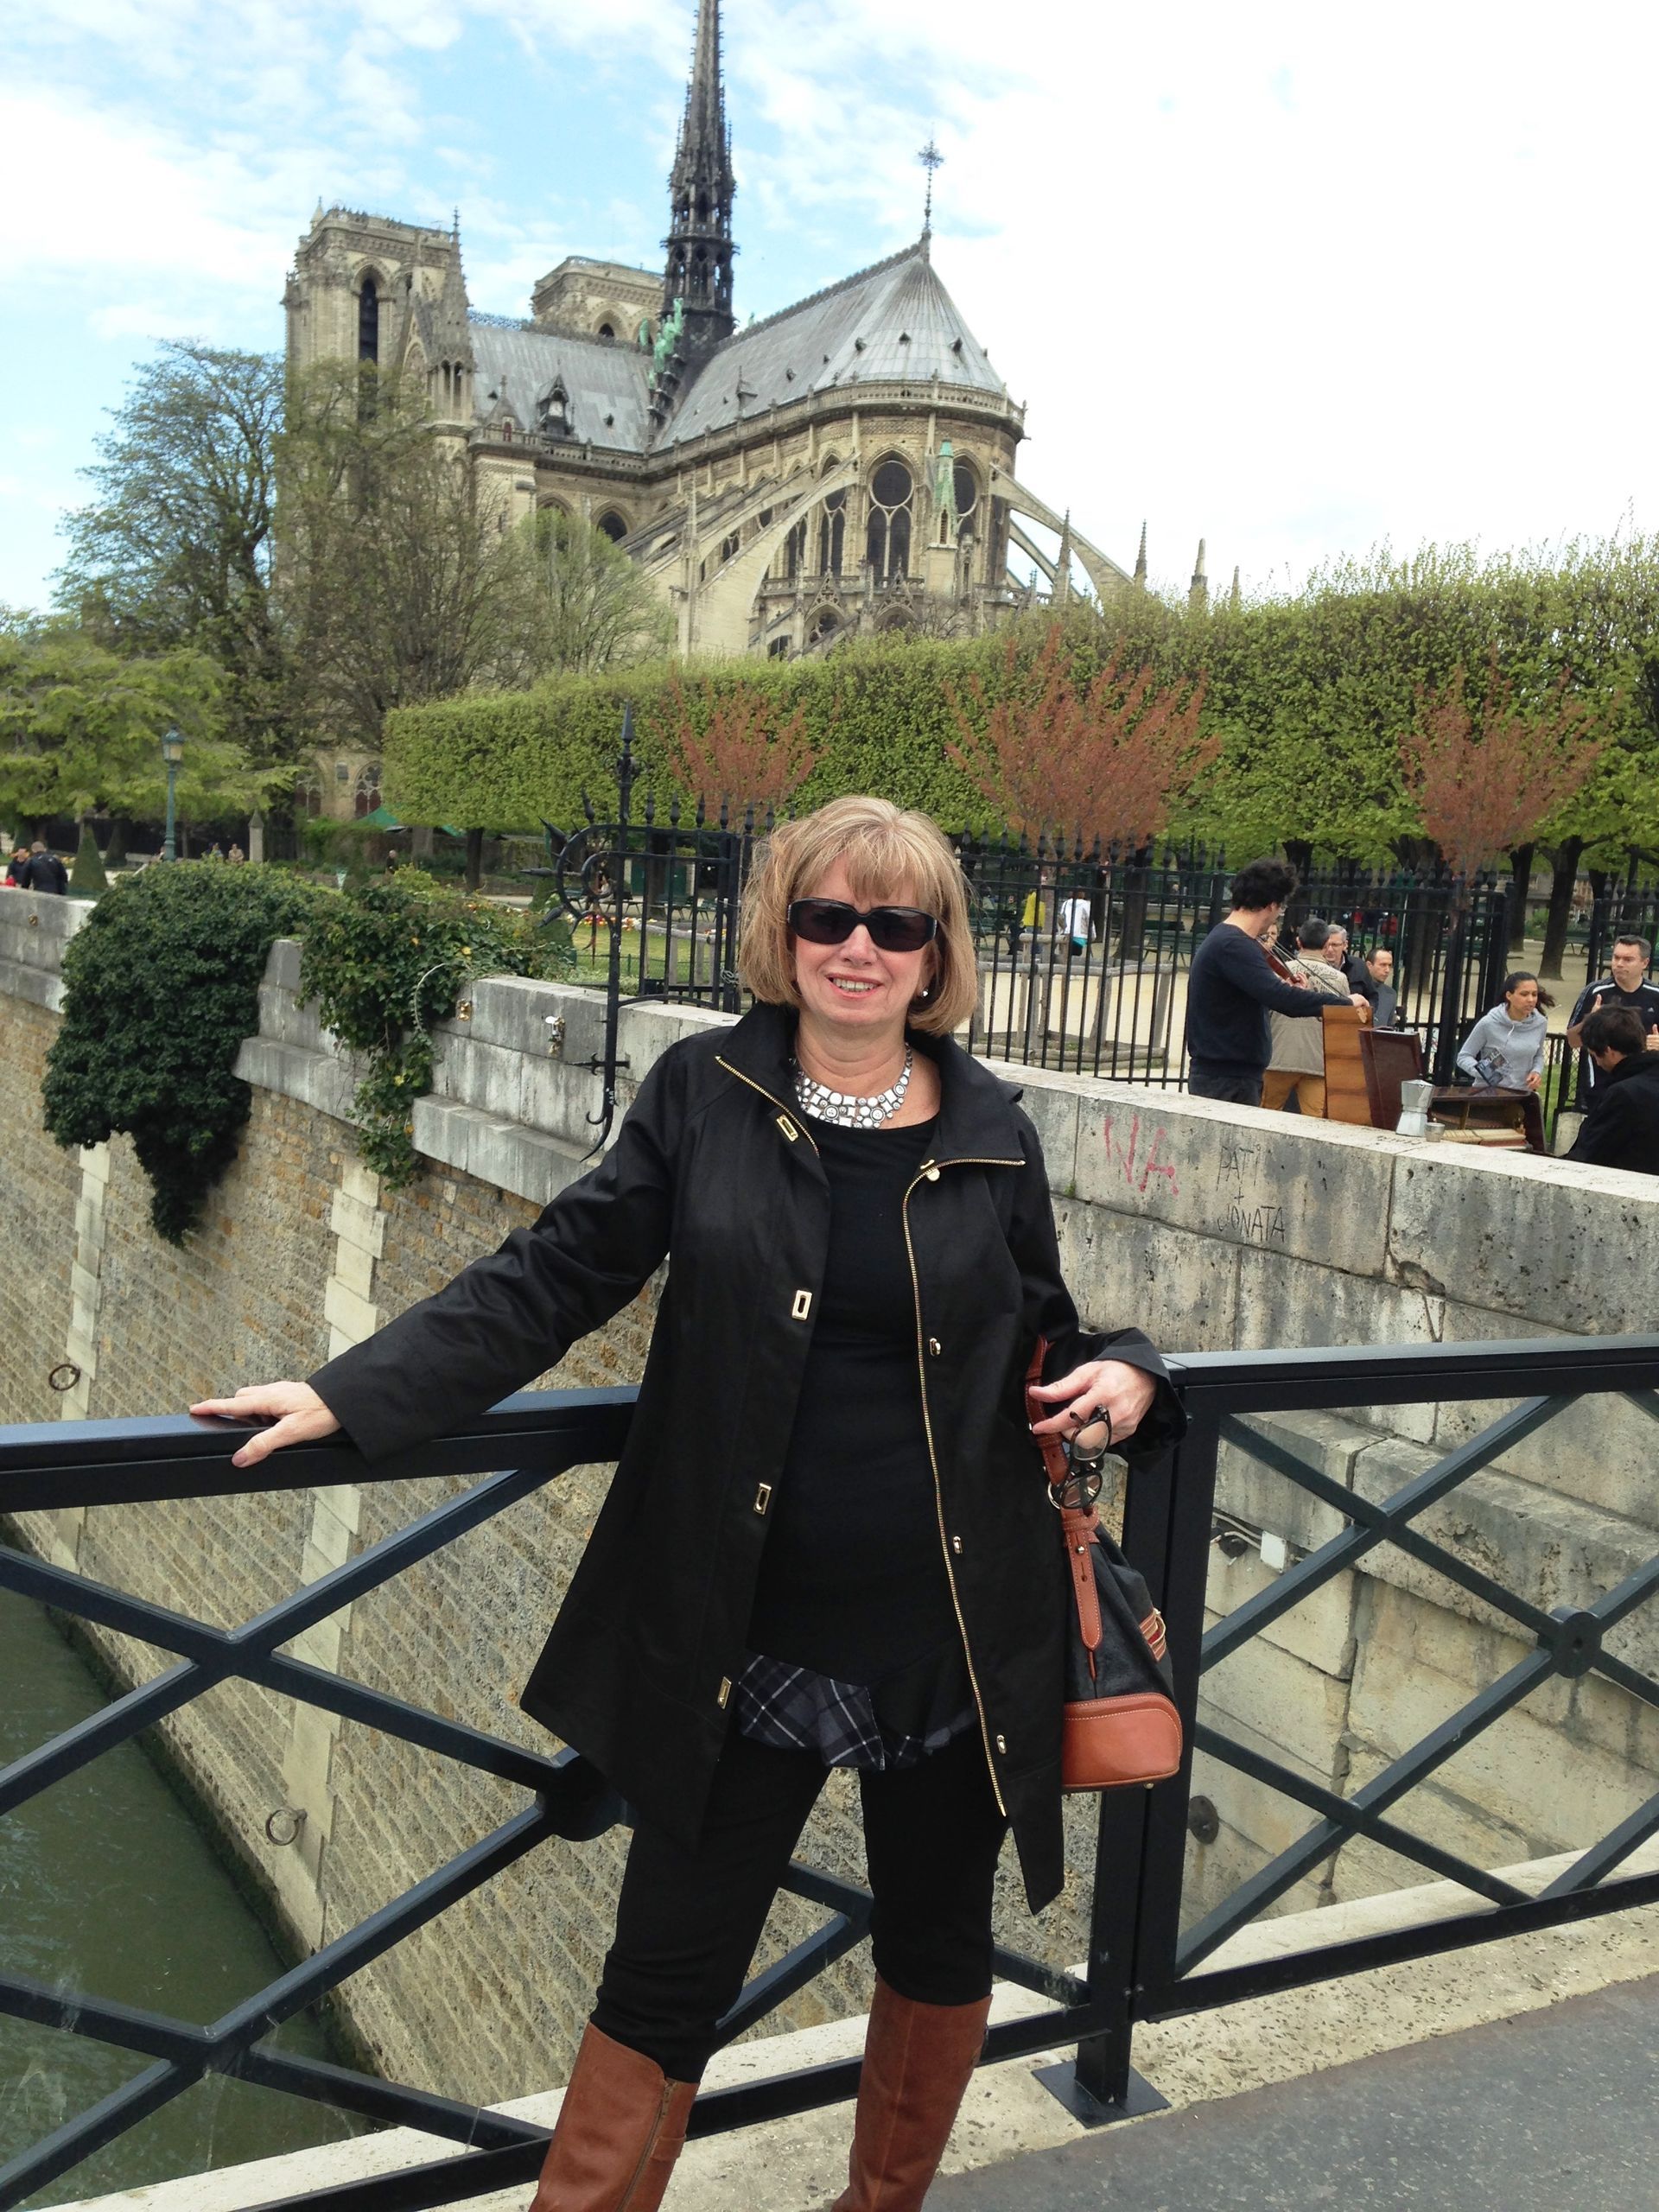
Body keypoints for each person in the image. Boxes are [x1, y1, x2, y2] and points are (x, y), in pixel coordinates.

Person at [190, 794, 1185, 2212]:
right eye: (827, 915)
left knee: (938, 1946)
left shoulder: (990, 1129)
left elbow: (1047, 1330)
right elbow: (556, 1272)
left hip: (954, 1631)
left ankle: (879, 2202)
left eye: (893, 923)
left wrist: (1134, 1376)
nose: (858, 946)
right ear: (782, 933)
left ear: (933, 953)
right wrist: (353, 1392)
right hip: (742, 1628)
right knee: (665, 1975)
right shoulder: (705, 1094)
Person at [1184, 860, 1363, 1107]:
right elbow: (1283, 999)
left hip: (1227, 1074)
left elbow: (1258, 1000)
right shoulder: (1234, 945)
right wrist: (1344, 1003)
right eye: (1281, 908)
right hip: (1226, 1079)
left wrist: (1291, 992)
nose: (1280, 914)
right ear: (1271, 905)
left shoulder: (1229, 940)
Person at [1262, 918, 1350, 1116]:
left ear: (1298, 942)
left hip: (1279, 1055)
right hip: (1317, 1060)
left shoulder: (1279, 970)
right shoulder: (1339, 979)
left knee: (1265, 1115)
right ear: (1327, 944)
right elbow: (1342, 1019)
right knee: (1314, 1122)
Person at [1566, 1006, 1659, 1175]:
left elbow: (1589, 1154)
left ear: (1609, 1051)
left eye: (1595, 1055)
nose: (1598, 1063)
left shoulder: (1623, 1094)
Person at [1565, 936, 1659, 1103]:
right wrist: (1591, 1021)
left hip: (1643, 1089)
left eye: (1628, 959)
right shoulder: (1595, 991)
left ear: (1645, 963)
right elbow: (1572, 1040)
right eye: (1616, 957)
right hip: (1599, 1087)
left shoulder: (1655, 995)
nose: (1619, 964)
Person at [1456, 973, 1548, 1091]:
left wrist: (1536, 1072)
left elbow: (1538, 1055)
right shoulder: (1489, 1023)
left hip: (1522, 1093)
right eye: (1524, 994)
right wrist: (1485, 1072)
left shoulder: (1540, 1023)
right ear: (1509, 995)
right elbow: (1464, 1056)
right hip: (1488, 1093)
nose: (1530, 999)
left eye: (1534, 994)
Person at [1363, 946, 1398, 1028]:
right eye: (1383, 965)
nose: (1387, 970)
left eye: (1389, 965)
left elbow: (1389, 1027)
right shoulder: (1355, 988)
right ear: (1369, 965)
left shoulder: (1391, 994)